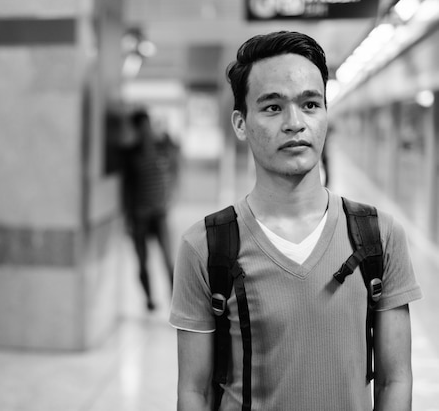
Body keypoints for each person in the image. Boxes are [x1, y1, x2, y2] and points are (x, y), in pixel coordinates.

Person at [170, 31, 422, 410]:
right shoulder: (206, 246)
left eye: (310, 104)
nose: (295, 123)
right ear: (241, 123)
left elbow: (395, 379)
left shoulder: (378, 236)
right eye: (273, 107)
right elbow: (195, 390)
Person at [122, 108, 178, 311]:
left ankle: (175, 299)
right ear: (137, 129)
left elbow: (175, 163)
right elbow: (127, 188)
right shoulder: (131, 153)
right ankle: (149, 300)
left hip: (160, 212)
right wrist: (128, 217)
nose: (146, 130)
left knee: (168, 258)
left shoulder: (163, 145)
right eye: (142, 126)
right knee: (142, 261)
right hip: (139, 215)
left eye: (148, 125)